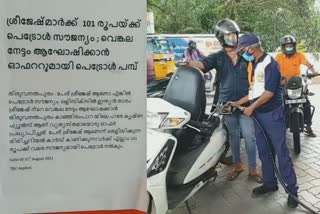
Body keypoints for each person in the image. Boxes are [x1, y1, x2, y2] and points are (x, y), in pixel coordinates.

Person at [185, 19, 262, 183]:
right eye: (228, 35)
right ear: (221, 38)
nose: (233, 38)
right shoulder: (217, 57)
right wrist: (190, 63)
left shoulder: (246, 55)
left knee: (250, 137)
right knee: (233, 136)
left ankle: (253, 170)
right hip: (226, 105)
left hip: (245, 104)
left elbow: (259, 69)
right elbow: (203, 64)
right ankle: (237, 166)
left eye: (234, 35)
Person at [234, 33, 299, 208]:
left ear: (250, 48)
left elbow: (269, 93)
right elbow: (254, 91)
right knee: (264, 152)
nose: (241, 54)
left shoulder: (270, 64)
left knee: (281, 153)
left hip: (272, 115)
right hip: (259, 115)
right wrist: (236, 103)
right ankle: (270, 184)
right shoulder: (253, 63)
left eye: (242, 50)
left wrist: (251, 108)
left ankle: (292, 191)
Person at [275, 35, 317, 137]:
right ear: (283, 47)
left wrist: (313, 71)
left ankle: (308, 125)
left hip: (297, 82)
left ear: (294, 46)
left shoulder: (299, 55)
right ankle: (280, 125)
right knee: (280, 102)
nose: (289, 47)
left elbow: (308, 64)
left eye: (291, 45)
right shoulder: (279, 57)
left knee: (306, 102)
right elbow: (274, 68)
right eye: (287, 46)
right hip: (284, 82)